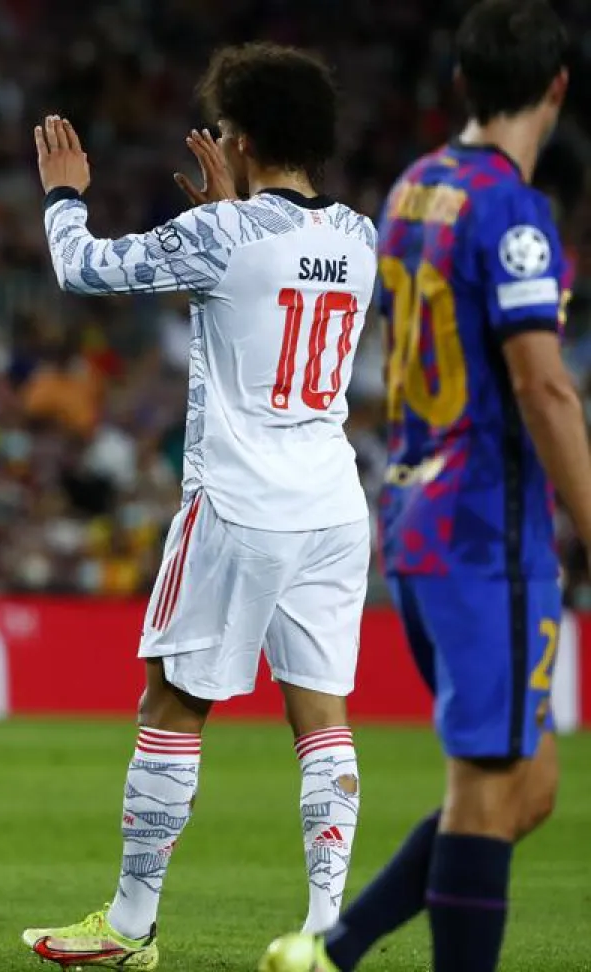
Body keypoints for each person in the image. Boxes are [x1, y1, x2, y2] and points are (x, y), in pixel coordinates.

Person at [20, 43, 377, 969]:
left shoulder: (224, 236)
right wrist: (229, 205)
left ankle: (130, 930)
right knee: (323, 716)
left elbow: (85, 270)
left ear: (246, 136)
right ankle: (329, 927)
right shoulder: (359, 236)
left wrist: (64, 196)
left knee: (172, 705)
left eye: (223, 129)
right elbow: (275, 280)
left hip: (240, 502)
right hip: (333, 503)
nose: (216, 139)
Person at [261, 3, 577, 970]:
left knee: (527, 788)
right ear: (558, 89)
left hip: (418, 512)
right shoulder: (512, 211)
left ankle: (334, 948)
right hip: (489, 528)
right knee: (488, 790)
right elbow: (542, 383)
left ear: (460, 87)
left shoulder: (413, 190)